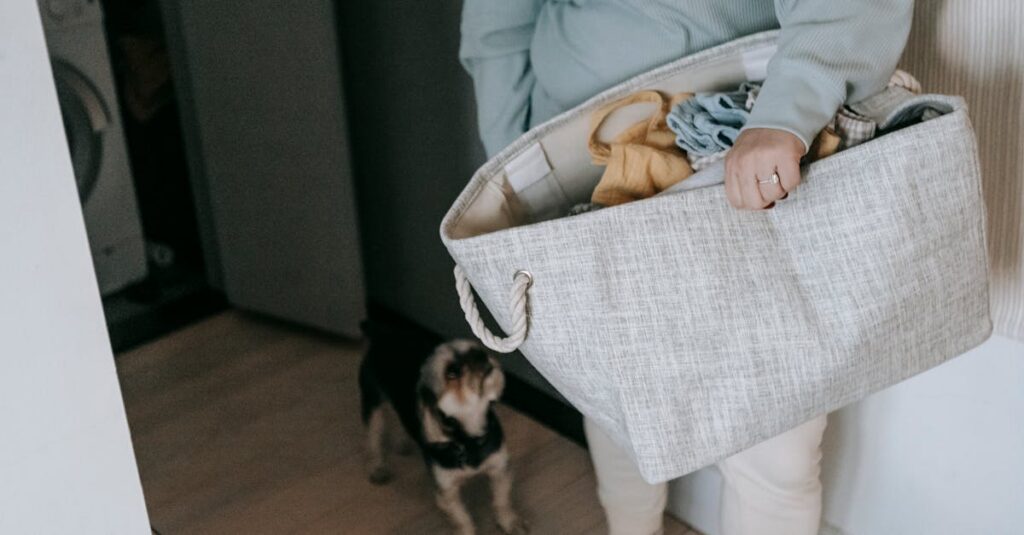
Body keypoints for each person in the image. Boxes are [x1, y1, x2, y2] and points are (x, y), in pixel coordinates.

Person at [459, 1, 913, 534]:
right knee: (619, 407)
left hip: (745, 148)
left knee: (776, 451)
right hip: (581, 158)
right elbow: (498, 18)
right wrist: (517, 157)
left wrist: (786, 115)